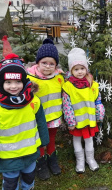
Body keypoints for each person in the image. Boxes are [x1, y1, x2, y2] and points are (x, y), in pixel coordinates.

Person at [0, 53, 49, 190]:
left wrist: (44, 141)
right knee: (10, 183)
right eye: (8, 82)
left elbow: (41, 122)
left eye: (18, 81)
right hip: (8, 158)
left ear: (24, 81)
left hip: (30, 153)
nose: (14, 86)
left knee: (29, 177)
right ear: (1, 83)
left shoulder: (33, 101)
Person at [62, 48, 105, 173]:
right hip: (76, 121)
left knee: (89, 139)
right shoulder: (68, 86)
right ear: (71, 70)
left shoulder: (92, 84)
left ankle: (90, 159)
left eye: (82, 68)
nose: (80, 72)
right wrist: (70, 121)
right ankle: (80, 160)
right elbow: (67, 105)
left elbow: (97, 100)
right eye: (76, 69)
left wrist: (99, 113)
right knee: (76, 140)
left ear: (86, 68)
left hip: (90, 119)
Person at [27, 38, 64, 180]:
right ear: (38, 62)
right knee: (40, 140)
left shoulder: (59, 78)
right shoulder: (29, 78)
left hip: (54, 116)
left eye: (51, 64)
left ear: (56, 65)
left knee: (51, 139)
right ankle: (40, 163)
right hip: (37, 118)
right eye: (44, 63)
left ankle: (52, 160)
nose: (48, 67)